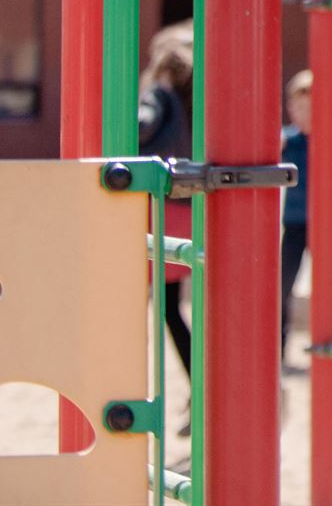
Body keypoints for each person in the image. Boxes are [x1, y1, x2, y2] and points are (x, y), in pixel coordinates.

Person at [137, 22, 196, 390]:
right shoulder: (194, 100)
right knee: (171, 307)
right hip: (185, 208)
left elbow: (141, 127)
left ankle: (129, 383)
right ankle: (198, 382)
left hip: (154, 209)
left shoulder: (158, 95)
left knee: (140, 303)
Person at [278, 69, 332, 371]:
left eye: (310, 108)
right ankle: (278, 347)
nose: (303, 114)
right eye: (298, 107)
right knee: (283, 284)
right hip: (294, 221)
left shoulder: (330, 140)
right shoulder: (286, 142)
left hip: (324, 221)